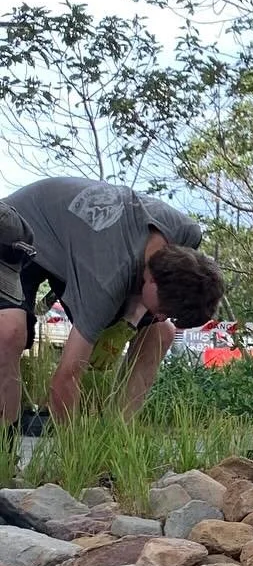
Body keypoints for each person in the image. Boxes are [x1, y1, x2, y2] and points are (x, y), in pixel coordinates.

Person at [0, 177, 224, 426]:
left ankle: (116, 432)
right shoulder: (106, 281)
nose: (161, 315)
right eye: (164, 310)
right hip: (16, 229)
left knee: (161, 333)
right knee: (8, 333)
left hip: (78, 244)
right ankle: (5, 446)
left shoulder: (186, 234)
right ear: (151, 281)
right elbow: (64, 380)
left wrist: (128, 323)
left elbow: (149, 295)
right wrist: (79, 458)